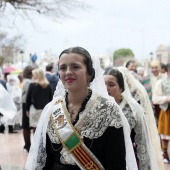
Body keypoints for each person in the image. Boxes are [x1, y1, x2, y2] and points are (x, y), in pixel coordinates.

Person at [25, 47, 138, 170]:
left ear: (89, 73)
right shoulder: (52, 109)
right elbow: (45, 160)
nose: (68, 72)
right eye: (63, 68)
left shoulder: (109, 110)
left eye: (75, 67)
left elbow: (116, 163)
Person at [104, 67, 161, 170]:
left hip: (127, 160)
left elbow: (142, 142)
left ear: (121, 88)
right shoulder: (97, 106)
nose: (106, 88)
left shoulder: (132, 109)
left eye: (111, 85)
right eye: (103, 84)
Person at [152, 62, 170, 164]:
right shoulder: (161, 82)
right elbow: (155, 99)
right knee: (165, 135)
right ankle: (165, 154)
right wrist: (167, 98)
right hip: (166, 111)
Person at [26, 68, 53, 133]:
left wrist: (27, 109)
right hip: (45, 109)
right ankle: (43, 143)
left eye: (33, 75)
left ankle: (36, 143)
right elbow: (51, 98)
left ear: (37, 75)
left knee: (35, 128)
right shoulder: (48, 85)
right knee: (44, 128)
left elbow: (28, 98)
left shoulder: (32, 85)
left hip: (35, 109)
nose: (32, 76)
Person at [22, 66, 34, 152]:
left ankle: (28, 144)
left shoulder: (26, 81)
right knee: (27, 125)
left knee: (28, 125)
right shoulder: (28, 82)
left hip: (26, 103)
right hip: (28, 104)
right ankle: (27, 145)